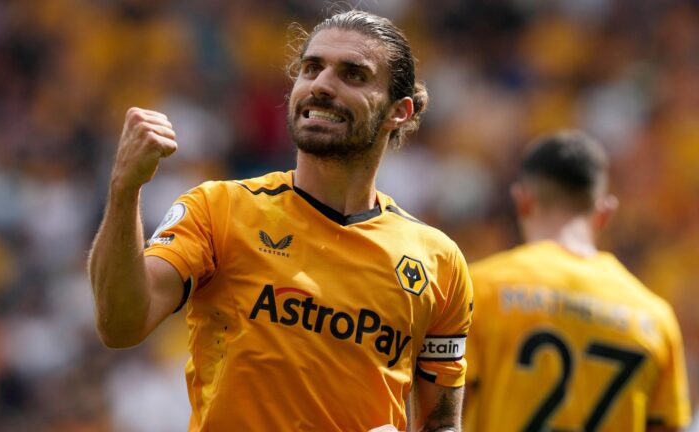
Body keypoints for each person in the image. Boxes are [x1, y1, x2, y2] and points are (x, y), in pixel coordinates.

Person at [88, 10, 473, 432]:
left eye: (353, 75)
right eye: (311, 68)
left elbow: (442, 425)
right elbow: (120, 325)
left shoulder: (438, 261)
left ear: (398, 111)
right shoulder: (219, 208)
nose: (321, 84)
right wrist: (124, 188)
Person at [463, 130, 692, 432]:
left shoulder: (481, 288)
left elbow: (440, 412)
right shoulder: (654, 318)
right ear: (605, 213)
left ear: (522, 201)